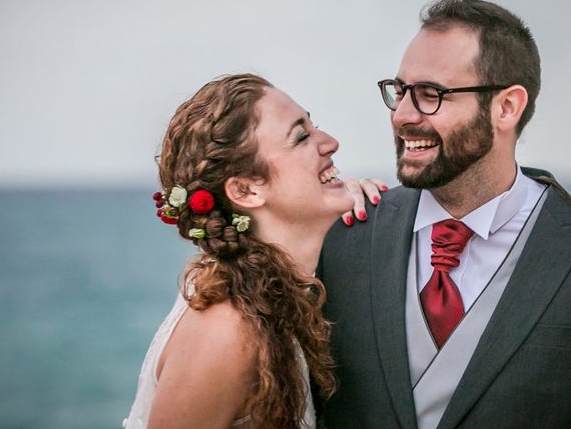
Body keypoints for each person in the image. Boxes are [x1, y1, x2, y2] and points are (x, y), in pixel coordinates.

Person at [318, 0, 571, 428]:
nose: (403, 115)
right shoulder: (340, 237)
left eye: (431, 94)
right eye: (400, 91)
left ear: (507, 107)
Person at [122, 74, 384, 429]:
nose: (331, 142)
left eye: (313, 125)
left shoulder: (282, 297)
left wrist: (372, 216)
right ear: (246, 191)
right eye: (301, 136)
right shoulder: (228, 330)